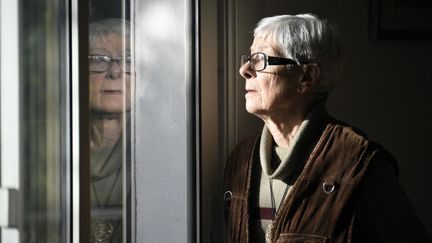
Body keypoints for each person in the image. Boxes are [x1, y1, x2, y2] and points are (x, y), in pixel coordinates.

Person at [223, 14, 431, 243]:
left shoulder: (358, 165)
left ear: (306, 76)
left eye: (260, 59)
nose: (244, 69)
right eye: (248, 58)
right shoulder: (241, 159)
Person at [88, 18, 131, 243]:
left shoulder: (161, 151)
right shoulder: (50, 144)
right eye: (98, 59)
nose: (115, 71)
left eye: (128, 60)